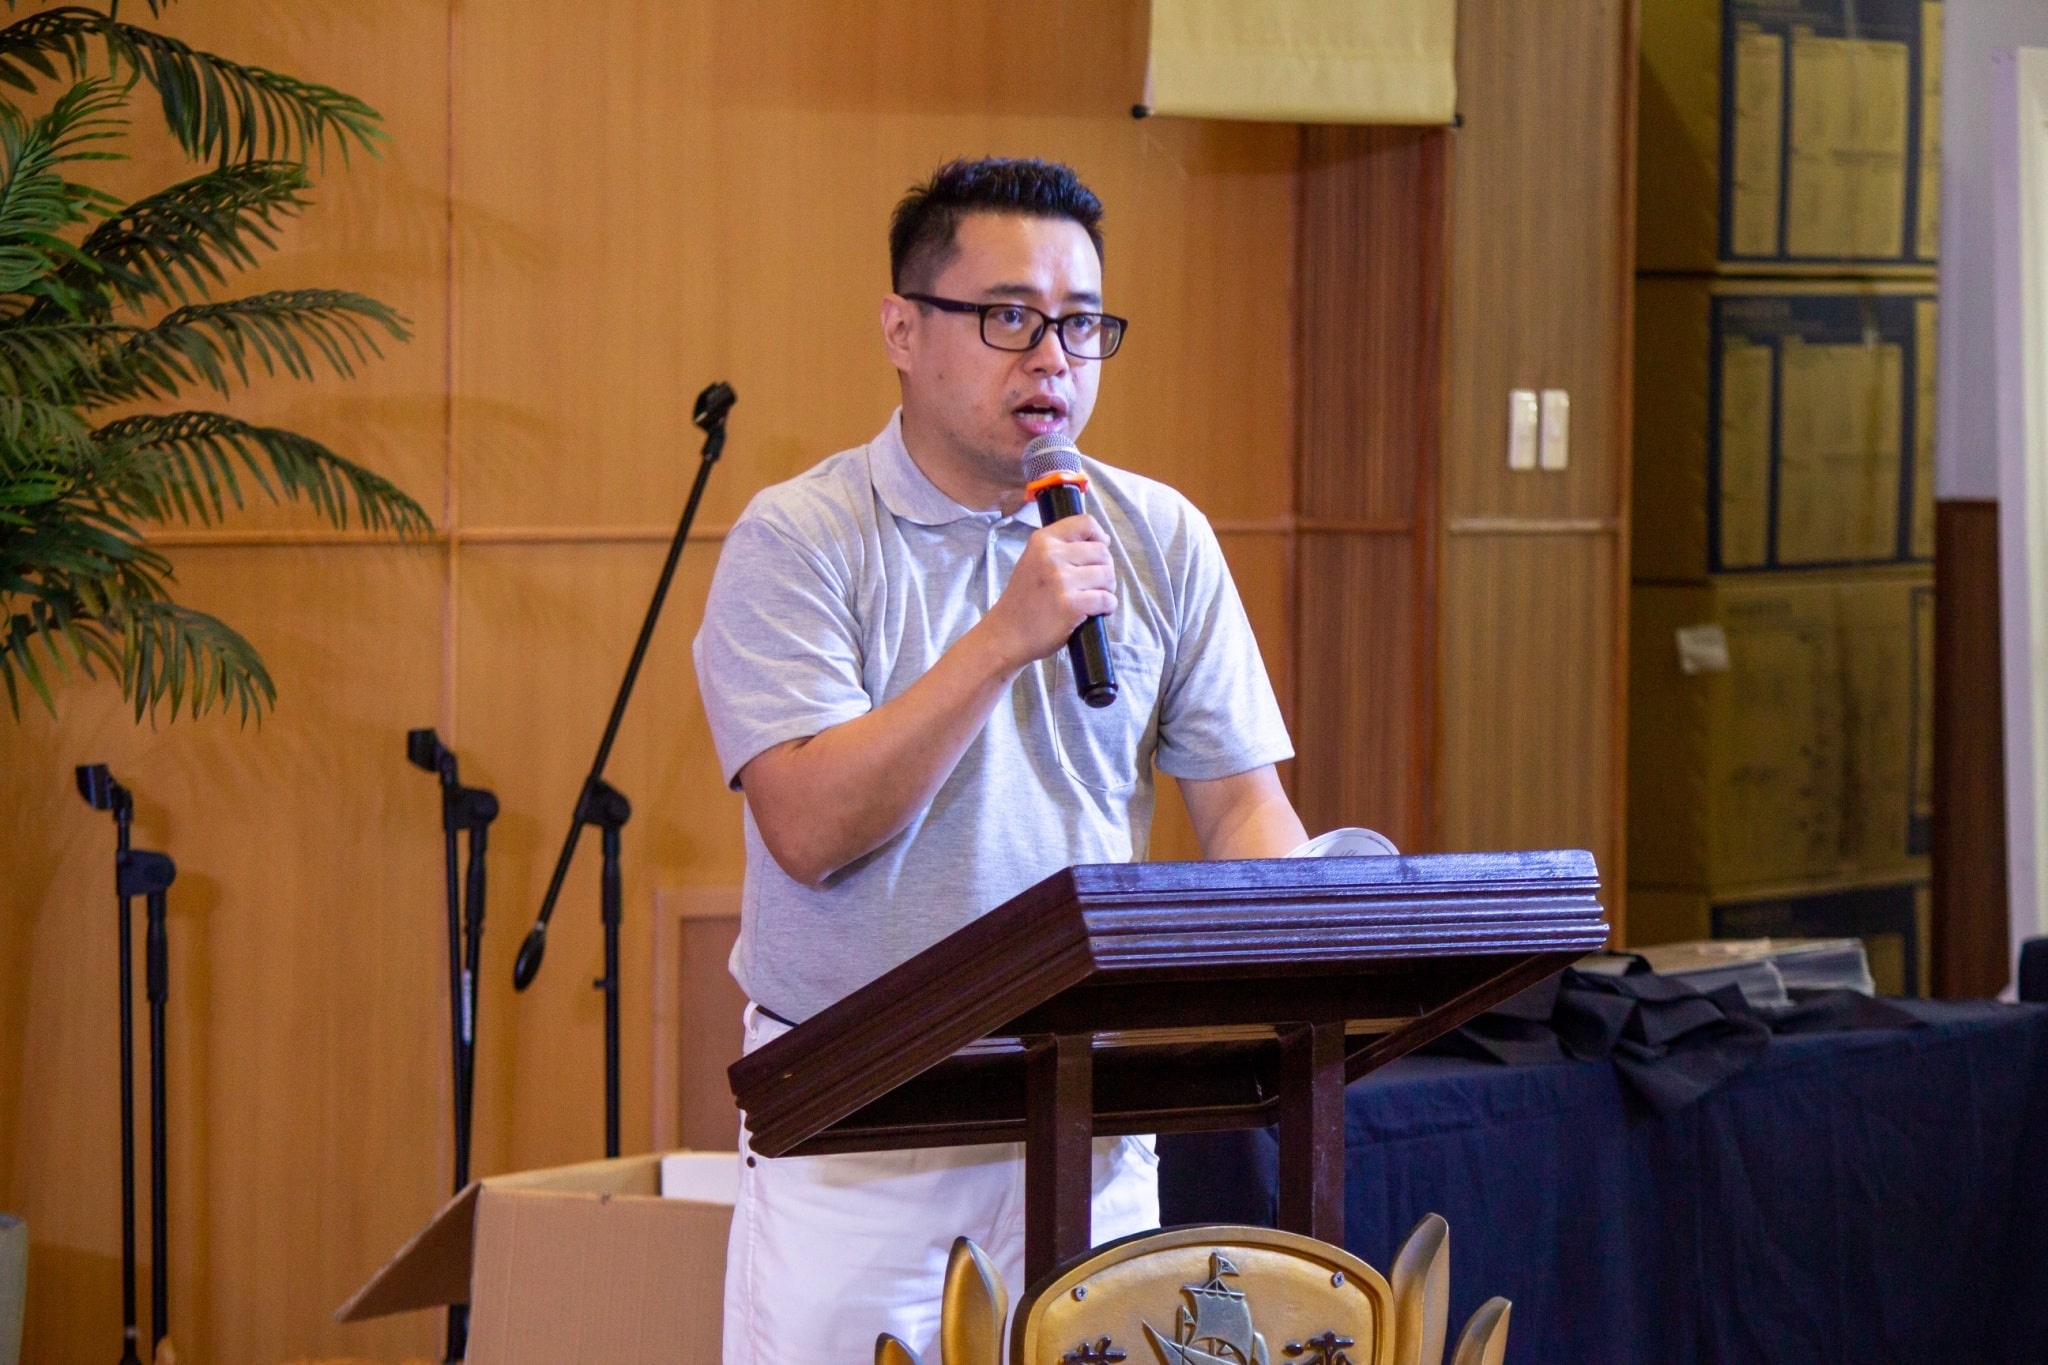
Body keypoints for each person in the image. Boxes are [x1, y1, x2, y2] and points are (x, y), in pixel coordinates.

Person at [693, 156, 1308, 1363]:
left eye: (1080, 325)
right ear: (903, 330)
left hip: (1087, 1111)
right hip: (864, 1121)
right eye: (1009, 318)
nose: (1053, 360)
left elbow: (1242, 806)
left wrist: (1291, 940)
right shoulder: (801, 537)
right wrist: (1001, 640)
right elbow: (809, 829)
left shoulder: (1155, 532)